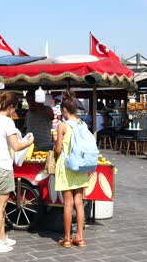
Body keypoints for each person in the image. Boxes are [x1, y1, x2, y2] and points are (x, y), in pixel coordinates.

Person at [0, 91, 34, 253]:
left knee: (1, 205)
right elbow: (16, 146)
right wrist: (28, 141)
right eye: (14, 108)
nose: (15, 112)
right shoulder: (7, 122)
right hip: (1, 167)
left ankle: (2, 238)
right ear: (10, 107)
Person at [54, 90, 89, 249]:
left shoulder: (63, 125)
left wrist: (56, 142)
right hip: (80, 166)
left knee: (68, 203)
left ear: (64, 110)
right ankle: (80, 238)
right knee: (79, 203)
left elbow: (58, 149)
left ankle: (67, 239)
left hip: (66, 166)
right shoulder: (83, 124)